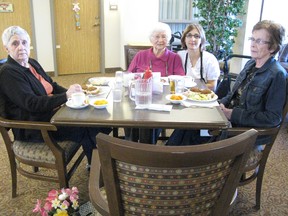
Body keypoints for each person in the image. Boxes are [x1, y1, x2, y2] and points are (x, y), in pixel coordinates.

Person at [0, 26, 111, 166]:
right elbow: (31, 103)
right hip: (35, 126)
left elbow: (52, 84)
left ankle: (97, 162)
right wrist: (66, 96)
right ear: (6, 48)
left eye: (24, 42)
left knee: (95, 116)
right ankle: (97, 170)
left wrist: (74, 94)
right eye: (15, 43)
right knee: (87, 126)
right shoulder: (8, 73)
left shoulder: (31, 62)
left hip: (51, 113)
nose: (21, 47)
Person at [167, 20, 287, 146]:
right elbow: (232, 95)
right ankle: (169, 159)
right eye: (252, 39)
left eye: (259, 41)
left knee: (191, 133)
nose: (252, 45)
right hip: (227, 121)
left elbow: (272, 118)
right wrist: (218, 105)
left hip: (241, 133)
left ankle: (174, 160)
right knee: (189, 121)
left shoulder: (277, 74)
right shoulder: (250, 64)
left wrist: (232, 114)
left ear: (273, 47)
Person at [126, 22, 185, 143]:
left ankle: (146, 152)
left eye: (164, 36)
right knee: (130, 119)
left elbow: (180, 80)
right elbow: (129, 76)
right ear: (151, 39)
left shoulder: (174, 58)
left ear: (168, 39)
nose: (160, 40)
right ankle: (131, 147)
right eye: (157, 37)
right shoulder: (140, 55)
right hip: (140, 97)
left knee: (149, 122)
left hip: (163, 100)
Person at [177, 23, 220, 91]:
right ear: (184, 39)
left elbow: (212, 86)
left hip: (203, 97)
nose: (192, 39)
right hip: (183, 96)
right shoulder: (179, 56)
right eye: (189, 35)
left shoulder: (210, 59)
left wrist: (193, 90)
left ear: (201, 40)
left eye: (196, 36)